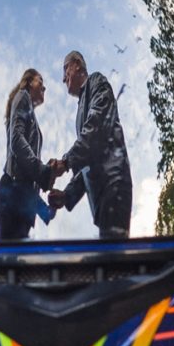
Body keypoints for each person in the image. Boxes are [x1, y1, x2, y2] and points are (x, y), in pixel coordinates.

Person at [48, 51, 132, 239]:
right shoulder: (80, 111)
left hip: (114, 183)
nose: (63, 79)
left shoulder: (96, 81)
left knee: (114, 259)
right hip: (100, 198)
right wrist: (67, 195)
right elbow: (88, 160)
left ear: (77, 65)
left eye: (65, 70)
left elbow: (97, 126)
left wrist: (65, 161)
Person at [0, 67, 56, 241]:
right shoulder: (23, 96)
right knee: (11, 260)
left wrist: (46, 210)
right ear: (29, 83)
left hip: (20, 198)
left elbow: (26, 183)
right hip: (13, 195)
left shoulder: (28, 109)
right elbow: (17, 141)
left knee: (16, 261)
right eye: (41, 82)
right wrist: (44, 172)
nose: (44, 88)